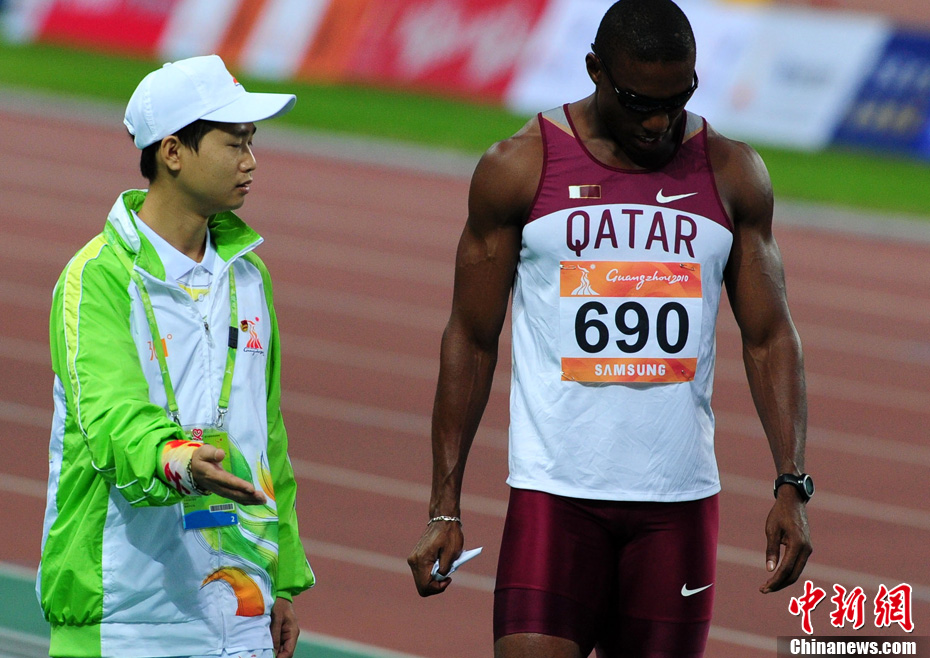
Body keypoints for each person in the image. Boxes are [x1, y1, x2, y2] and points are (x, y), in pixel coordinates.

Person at [407, 1, 813, 656]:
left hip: (676, 508)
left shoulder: (733, 173)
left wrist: (792, 482)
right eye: (639, 103)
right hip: (554, 499)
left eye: (677, 100)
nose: (658, 122)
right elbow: (471, 338)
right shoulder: (519, 167)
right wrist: (444, 507)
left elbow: (770, 337)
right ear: (595, 69)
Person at [38, 54, 315, 658]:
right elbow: (111, 419)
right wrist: (179, 461)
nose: (251, 160)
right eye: (234, 142)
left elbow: (266, 435)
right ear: (172, 152)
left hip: (240, 615)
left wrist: (284, 580)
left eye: (252, 141)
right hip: (126, 621)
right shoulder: (98, 279)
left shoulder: (249, 276)